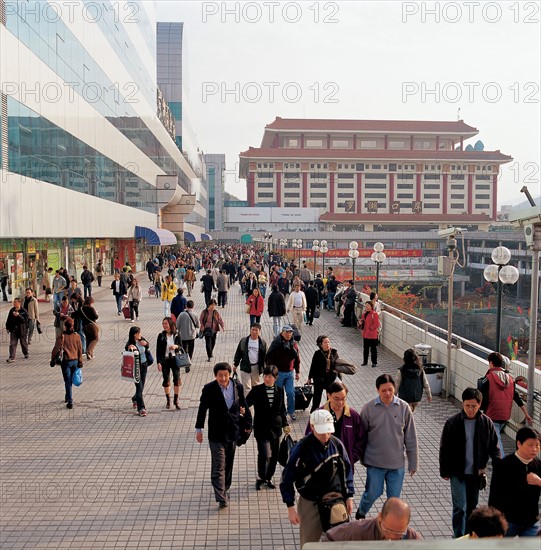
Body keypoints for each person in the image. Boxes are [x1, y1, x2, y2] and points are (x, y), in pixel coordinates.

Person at [280, 409, 354, 547]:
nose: (326, 435)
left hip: (335, 501)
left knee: (339, 541)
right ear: (312, 427)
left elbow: (346, 470)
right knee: (309, 543)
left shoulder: (337, 445)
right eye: (322, 431)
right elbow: (287, 479)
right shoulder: (302, 448)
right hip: (310, 503)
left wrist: (349, 496)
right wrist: (290, 507)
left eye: (328, 430)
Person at [439, 387, 500, 538]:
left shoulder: (486, 423)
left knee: (472, 508)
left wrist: (500, 469)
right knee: (460, 507)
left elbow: (495, 448)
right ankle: (458, 535)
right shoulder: (453, 423)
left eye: (474, 406)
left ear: (480, 405)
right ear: (462, 404)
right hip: (457, 472)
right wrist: (444, 471)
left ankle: (469, 535)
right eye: (467, 405)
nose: (470, 409)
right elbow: (444, 448)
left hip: (476, 473)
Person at [356, 374, 418, 520]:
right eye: (383, 390)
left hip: (396, 464)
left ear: (394, 389)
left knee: (394, 500)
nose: (387, 393)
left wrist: (413, 463)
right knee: (372, 492)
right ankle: (361, 512)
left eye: (390, 390)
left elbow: (410, 437)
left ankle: (388, 523)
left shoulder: (404, 408)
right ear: (377, 390)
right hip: (374, 462)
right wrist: (361, 457)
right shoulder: (368, 409)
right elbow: (360, 436)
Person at [195, 362, 252, 509]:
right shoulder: (209, 389)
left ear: (229, 375)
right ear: (216, 376)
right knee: (218, 465)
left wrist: (248, 424)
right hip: (216, 433)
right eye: (220, 375)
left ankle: (225, 487)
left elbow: (244, 405)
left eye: (225, 375)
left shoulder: (237, 386)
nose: (223, 378)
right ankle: (221, 497)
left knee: (228, 463)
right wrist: (199, 429)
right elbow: (202, 409)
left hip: (233, 431)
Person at [488, 427, 541, 537]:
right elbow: (494, 497)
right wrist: (494, 522)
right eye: (530, 445)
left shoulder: (538, 465)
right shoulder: (504, 465)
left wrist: (539, 481)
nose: (535, 449)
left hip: (531, 522)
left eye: (537, 445)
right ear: (519, 444)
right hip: (507, 522)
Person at [480, 351, 533, 457]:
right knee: (491, 437)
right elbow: (516, 397)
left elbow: (482, 399)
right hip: (504, 416)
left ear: (490, 363)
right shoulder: (510, 379)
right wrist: (526, 413)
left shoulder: (487, 379)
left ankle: (501, 464)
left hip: (491, 415)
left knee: (496, 441)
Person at [306, 381, 365, 472]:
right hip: (321, 466)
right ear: (328, 396)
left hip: (345, 466)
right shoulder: (318, 414)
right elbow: (308, 437)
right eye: (336, 399)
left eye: (343, 399)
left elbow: (360, 439)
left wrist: (351, 457)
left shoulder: (353, 415)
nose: (340, 402)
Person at [246, 365, 288, 490]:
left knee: (274, 455)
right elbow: (246, 403)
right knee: (264, 454)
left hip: (276, 427)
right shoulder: (257, 390)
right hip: (261, 427)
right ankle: (261, 477)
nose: (267, 379)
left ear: (275, 378)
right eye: (265, 376)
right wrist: (244, 415)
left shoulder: (280, 390)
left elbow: (282, 410)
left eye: (270, 376)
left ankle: (268, 477)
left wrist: (285, 424)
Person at [321, 497, 422, 542]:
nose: (392, 537)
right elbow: (329, 538)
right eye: (388, 530)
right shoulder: (359, 530)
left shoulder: (411, 537)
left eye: (399, 533)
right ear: (380, 517)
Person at [265, 325, 300, 421]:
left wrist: (297, 372)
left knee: (290, 392)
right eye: (286, 332)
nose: (289, 334)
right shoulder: (276, 343)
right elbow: (269, 357)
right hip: (279, 373)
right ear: (282, 333)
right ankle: (281, 412)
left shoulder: (294, 344)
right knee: (279, 394)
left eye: (290, 332)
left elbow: (297, 359)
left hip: (290, 373)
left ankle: (291, 411)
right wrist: (271, 371)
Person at [50, 317, 83, 410]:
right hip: (75, 360)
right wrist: (80, 362)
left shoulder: (62, 336)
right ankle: (67, 395)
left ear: (65, 326)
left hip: (66, 361)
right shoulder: (77, 336)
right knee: (70, 381)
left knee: (67, 381)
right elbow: (80, 350)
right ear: (72, 325)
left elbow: (56, 349)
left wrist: (52, 359)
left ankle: (70, 400)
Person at [307, 335, 341, 412]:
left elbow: (338, 365)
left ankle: (329, 412)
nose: (327, 344)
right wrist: (309, 378)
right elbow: (313, 366)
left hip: (330, 379)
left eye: (328, 342)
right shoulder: (317, 354)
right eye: (325, 342)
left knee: (330, 398)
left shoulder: (334, 352)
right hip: (319, 379)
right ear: (320, 344)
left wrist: (339, 378)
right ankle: (314, 413)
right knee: (316, 398)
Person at [156, 317, 182, 410]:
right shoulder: (161, 336)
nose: (164, 326)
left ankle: (176, 400)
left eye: (166, 323)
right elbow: (158, 350)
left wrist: (176, 346)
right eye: (163, 324)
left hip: (175, 360)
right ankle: (168, 400)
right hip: (165, 360)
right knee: (166, 380)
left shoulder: (177, 335)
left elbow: (181, 347)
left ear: (170, 324)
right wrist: (158, 362)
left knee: (176, 379)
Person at [233, 323, 267, 395]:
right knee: (247, 388)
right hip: (245, 367)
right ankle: (247, 405)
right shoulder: (244, 341)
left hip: (256, 368)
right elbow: (238, 353)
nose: (254, 332)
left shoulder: (262, 343)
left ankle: (255, 404)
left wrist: (266, 368)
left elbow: (266, 356)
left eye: (256, 330)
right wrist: (235, 365)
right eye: (252, 330)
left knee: (255, 387)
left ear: (259, 331)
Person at [395, 348, 432, 412]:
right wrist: (429, 395)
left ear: (405, 359)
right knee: (410, 413)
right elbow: (426, 384)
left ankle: (409, 420)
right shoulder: (420, 370)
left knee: (407, 414)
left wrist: (393, 397)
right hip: (416, 397)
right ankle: (410, 420)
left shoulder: (401, 371)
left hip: (405, 397)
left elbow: (396, 385)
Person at [125, 326, 150, 417]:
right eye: (139, 333)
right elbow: (127, 354)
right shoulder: (130, 343)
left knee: (142, 386)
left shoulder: (141, 339)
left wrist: (146, 344)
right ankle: (141, 408)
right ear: (134, 334)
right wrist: (130, 349)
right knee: (139, 387)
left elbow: (147, 346)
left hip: (144, 365)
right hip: (136, 368)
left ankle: (135, 398)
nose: (140, 334)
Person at [5, 298, 29, 362]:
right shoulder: (12, 310)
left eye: (15, 302)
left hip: (22, 330)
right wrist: (7, 327)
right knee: (12, 343)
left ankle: (26, 353)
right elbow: (9, 319)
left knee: (23, 343)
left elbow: (24, 320)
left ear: (19, 303)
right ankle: (12, 357)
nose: (14, 303)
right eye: (14, 302)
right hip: (13, 330)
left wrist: (19, 315)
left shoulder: (24, 311)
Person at [359, 301, 380, 368]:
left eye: (368, 305)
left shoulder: (374, 314)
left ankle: (374, 362)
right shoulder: (364, 314)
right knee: (365, 349)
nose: (367, 307)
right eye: (366, 305)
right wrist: (360, 323)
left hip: (372, 335)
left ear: (371, 306)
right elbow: (362, 321)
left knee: (373, 349)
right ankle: (365, 361)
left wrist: (370, 328)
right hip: (365, 334)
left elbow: (377, 324)